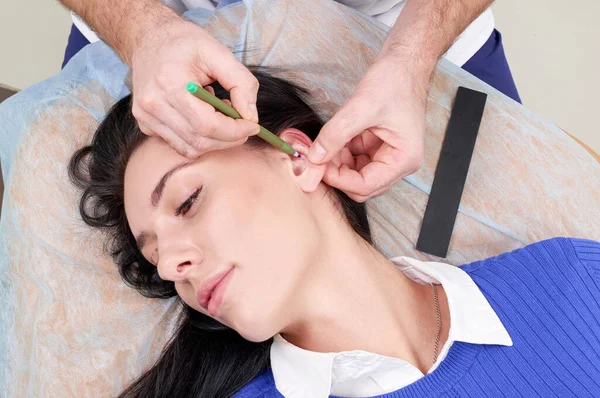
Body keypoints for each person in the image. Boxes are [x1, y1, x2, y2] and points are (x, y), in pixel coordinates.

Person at [69, 70, 600, 398]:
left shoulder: (575, 278)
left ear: (297, 159)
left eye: (187, 201)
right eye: (155, 255)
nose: (170, 268)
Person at [59, 0, 520, 204]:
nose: (170, 269)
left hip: (411, 23)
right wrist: (142, 31)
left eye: (188, 203)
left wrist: (411, 60)